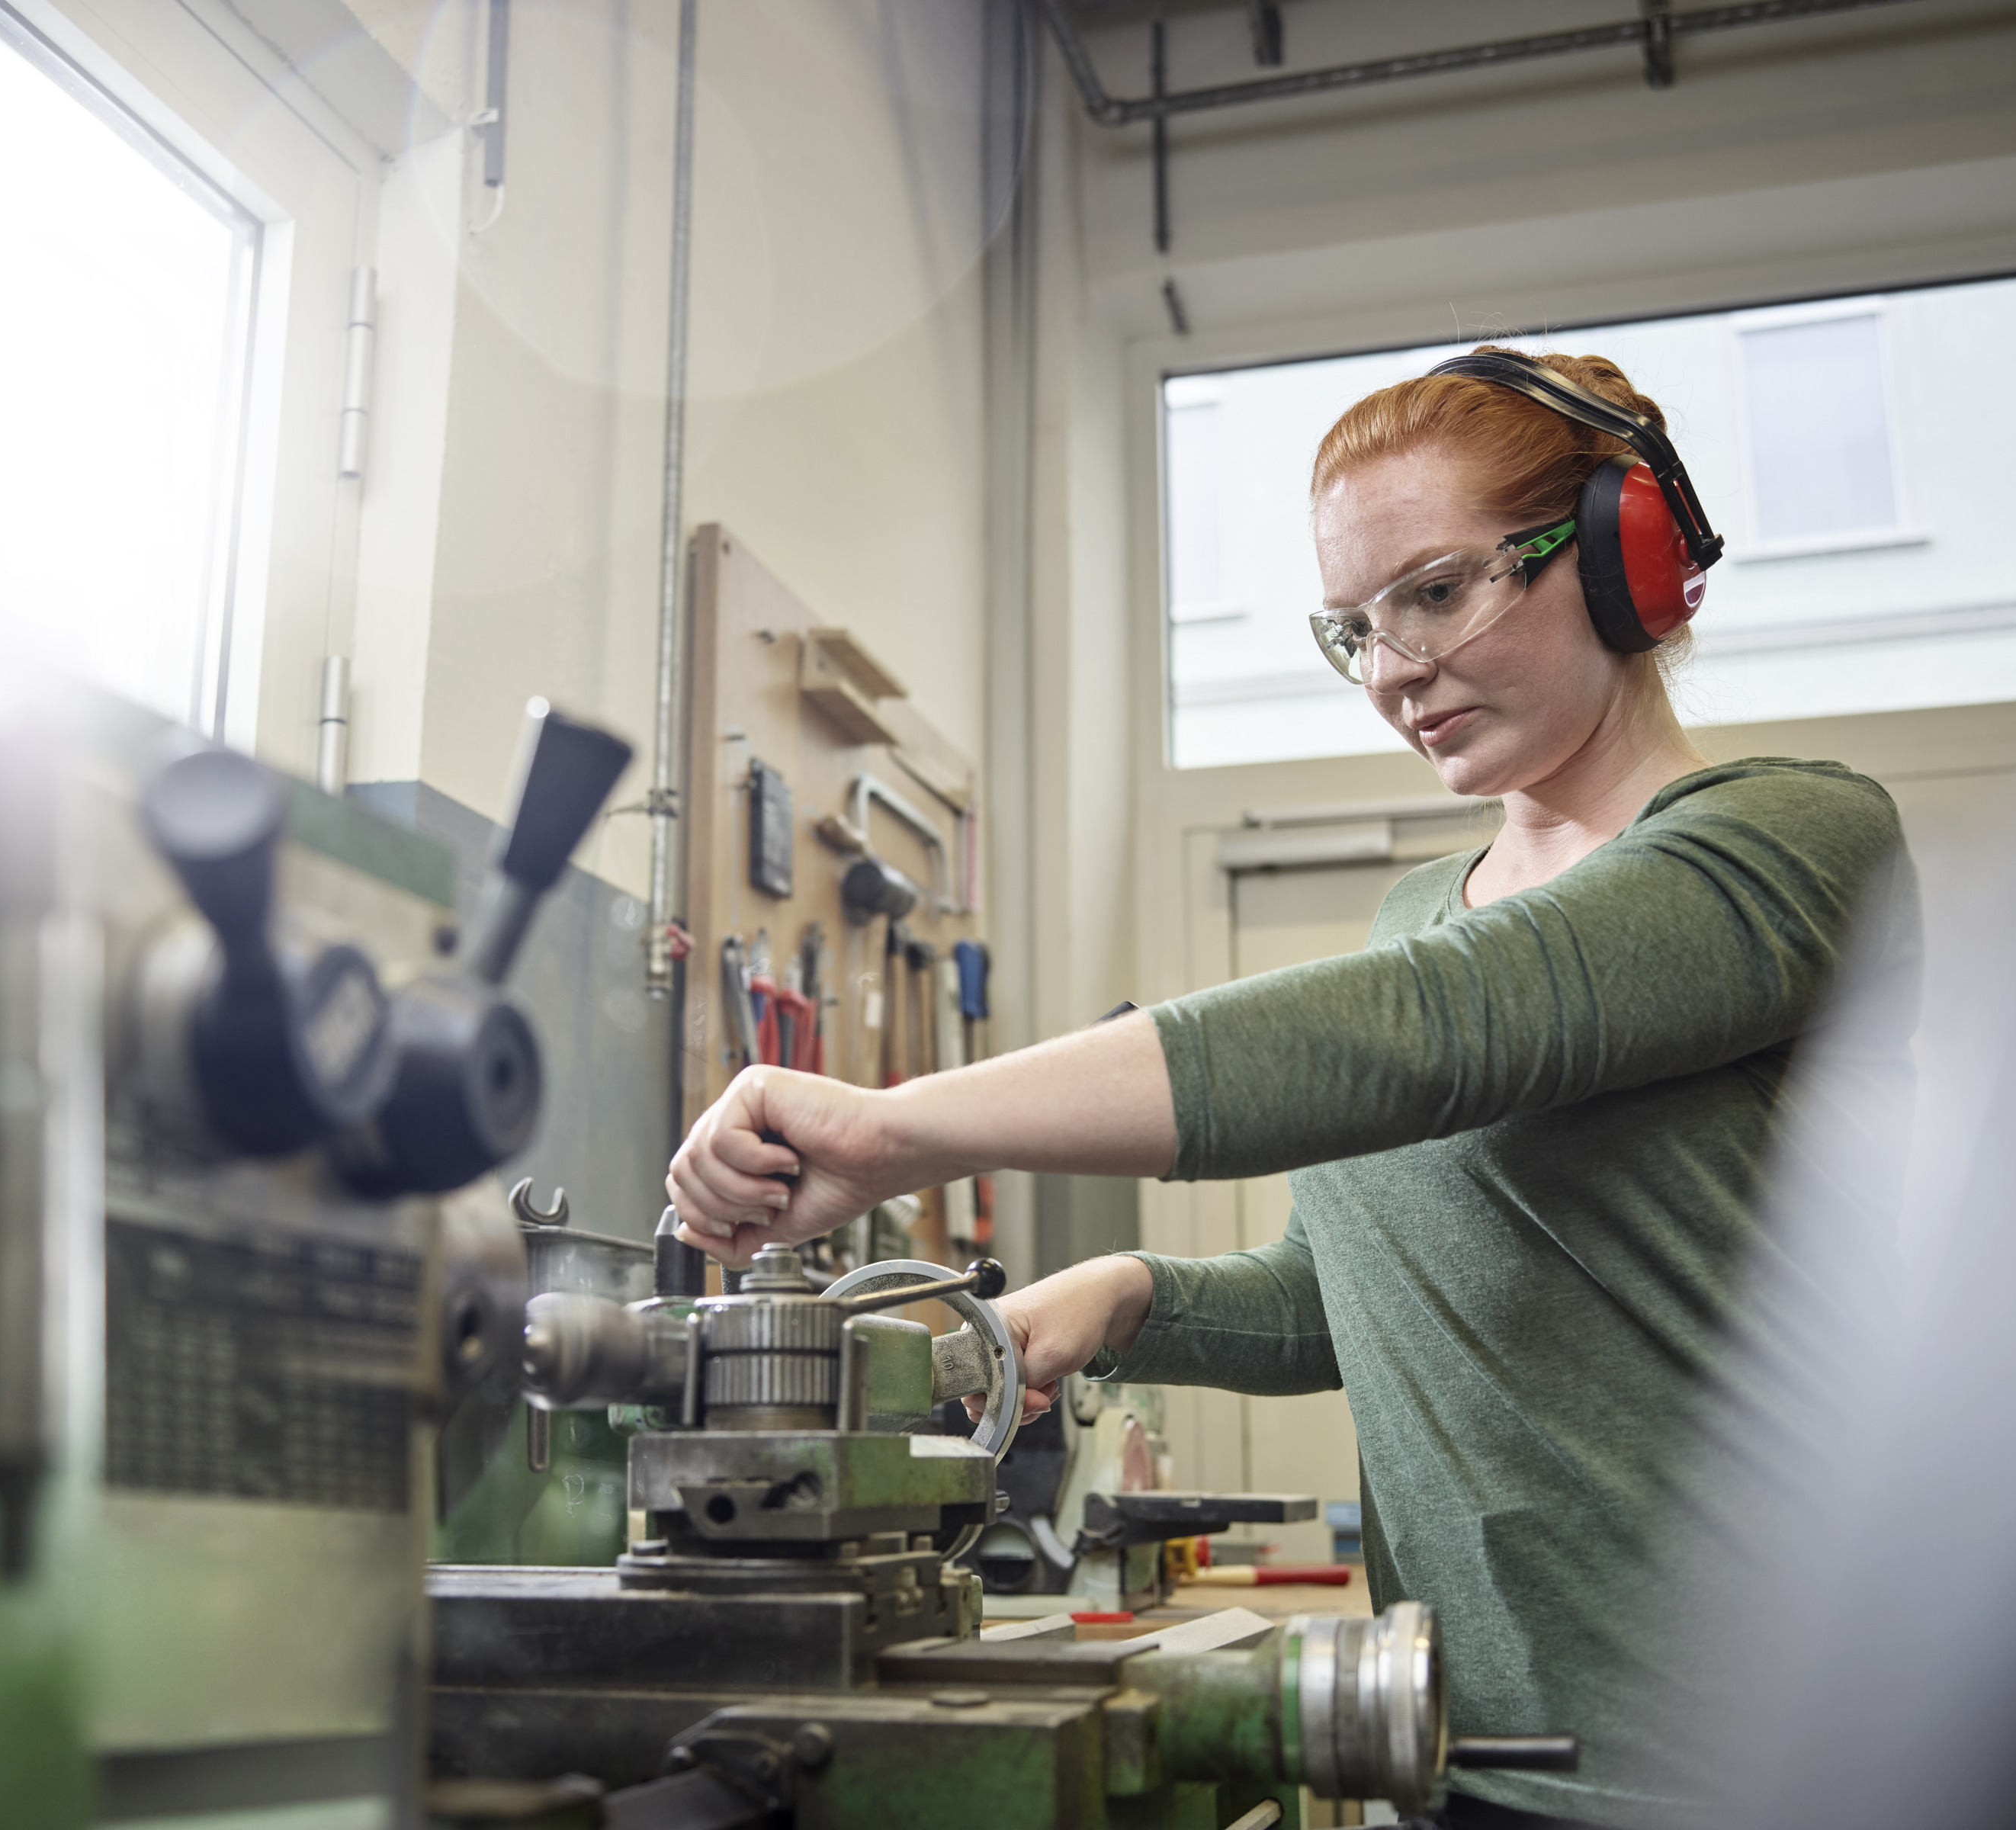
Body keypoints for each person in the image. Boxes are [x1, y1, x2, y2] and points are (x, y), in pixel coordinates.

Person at [664, 348, 1919, 1829]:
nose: (1391, 670)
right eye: (1355, 627)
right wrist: (1126, 1295)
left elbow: (1439, 1031)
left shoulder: (1792, 843)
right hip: (1456, 1749)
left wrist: (894, 1131)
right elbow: (1364, 1296)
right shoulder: (1416, 915)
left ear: (1617, 553)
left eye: (1434, 594)